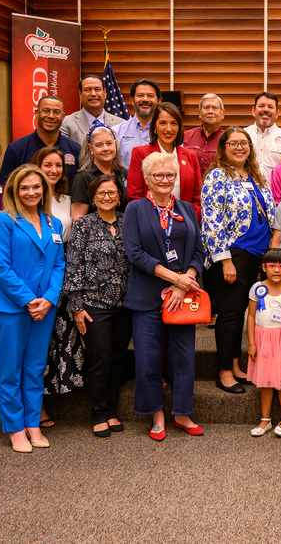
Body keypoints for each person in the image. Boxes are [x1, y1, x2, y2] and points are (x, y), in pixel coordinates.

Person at [124, 152, 206, 439]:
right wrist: (174, 279)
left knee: (184, 357)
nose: (164, 180)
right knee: (148, 357)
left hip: (183, 297)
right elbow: (134, 253)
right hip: (147, 296)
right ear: (147, 178)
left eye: (170, 175)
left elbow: (199, 250)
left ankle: (182, 414)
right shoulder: (135, 209)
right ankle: (156, 414)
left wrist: (186, 281)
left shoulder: (186, 209)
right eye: (158, 175)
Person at [0, 164, 65, 453]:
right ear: (14, 191)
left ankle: (33, 423)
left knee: (34, 369)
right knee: (9, 371)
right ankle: (15, 428)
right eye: (24, 187)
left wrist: (50, 298)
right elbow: (0, 267)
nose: (31, 192)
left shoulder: (53, 224)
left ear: (44, 189)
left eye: (36, 186)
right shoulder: (3, 221)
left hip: (45, 309)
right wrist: (30, 299)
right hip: (11, 309)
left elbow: (58, 265)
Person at [201, 127, 274, 394]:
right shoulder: (217, 176)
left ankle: (235, 365)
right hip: (234, 253)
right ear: (223, 148)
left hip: (259, 253)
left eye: (244, 143)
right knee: (230, 314)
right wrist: (225, 259)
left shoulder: (256, 174)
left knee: (242, 313)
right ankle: (223, 371)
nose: (239, 148)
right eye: (233, 144)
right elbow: (211, 220)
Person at [63, 175, 132, 439]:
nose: (106, 197)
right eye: (101, 193)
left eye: (112, 193)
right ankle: (99, 414)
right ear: (92, 197)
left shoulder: (129, 221)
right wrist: (76, 305)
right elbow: (73, 265)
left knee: (117, 358)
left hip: (126, 302)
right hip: (94, 304)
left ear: (119, 195)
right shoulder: (83, 225)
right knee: (100, 358)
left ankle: (112, 410)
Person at [32, 147, 80, 428]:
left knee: (52, 344)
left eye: (58, 165)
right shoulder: (22, 197)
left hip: (57, 281)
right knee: (32, 347)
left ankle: (50, 396)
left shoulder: (65, 199)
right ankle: (36, 408)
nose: (53, 170)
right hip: (30, 282)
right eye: (46, 164)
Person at [246, 248, 281, 438]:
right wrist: (252, 343)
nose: (276, 270)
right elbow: (251, 316)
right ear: (264, 267)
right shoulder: (257, 288)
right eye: (272, 266)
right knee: (265, 382)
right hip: (262, 340)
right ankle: (265, 419)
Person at [127, 102, 203, 221]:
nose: (168, 129)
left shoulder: (190, 156)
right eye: (163, 123)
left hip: (185, 224)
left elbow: (197, 198)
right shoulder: (140, 153)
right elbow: (134, 196)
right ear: (155, 126)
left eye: (173, 123)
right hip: (150, 223)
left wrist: (190, 221)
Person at [0, 95, 80, 185]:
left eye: (57, 112)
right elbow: (6, 189)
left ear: (63, 116)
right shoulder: (16, 149)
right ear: (36, 113)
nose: (51, 116)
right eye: (46, 111)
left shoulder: (76, 150)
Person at [70, 123, 128, 222]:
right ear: (90, 148)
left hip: (124, 232)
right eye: (99, 145)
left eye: (109, 143)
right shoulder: (82, 178)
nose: (105, 148)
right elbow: (77, 219)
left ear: (115, 144)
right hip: (93, 236)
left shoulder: (125, 174)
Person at [60, 74, 126, 147]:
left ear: (104, 93)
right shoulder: (67, 123)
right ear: (80, 94)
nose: (93, 94)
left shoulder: (121, 124)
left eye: (97, 89)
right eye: (87, 90)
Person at [245, 91, 281, 181]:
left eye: (270, 107)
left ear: (277, 113)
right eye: (261, 106)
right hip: (247, 192)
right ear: (253, 111)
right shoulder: (242, 135)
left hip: (276, 193)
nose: (266, 110)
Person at [112, 79, 158, 167]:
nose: (145, 99)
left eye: (150, 96)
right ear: (132, 101)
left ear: (158, 101)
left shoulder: (167, 132)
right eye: (140, 95)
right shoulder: (116, 132)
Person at [30, 147, 73, 240]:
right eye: (48, 165)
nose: (54, 170)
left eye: (58, 165)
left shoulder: (68, 200)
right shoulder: (29, 199)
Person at [183, 93, 226, 174]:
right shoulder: (185, 137)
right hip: (191, 186)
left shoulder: (228, 139)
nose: (210, 111)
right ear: (199, 112)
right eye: (206, 108)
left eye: (215, 108)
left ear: (222, 113)